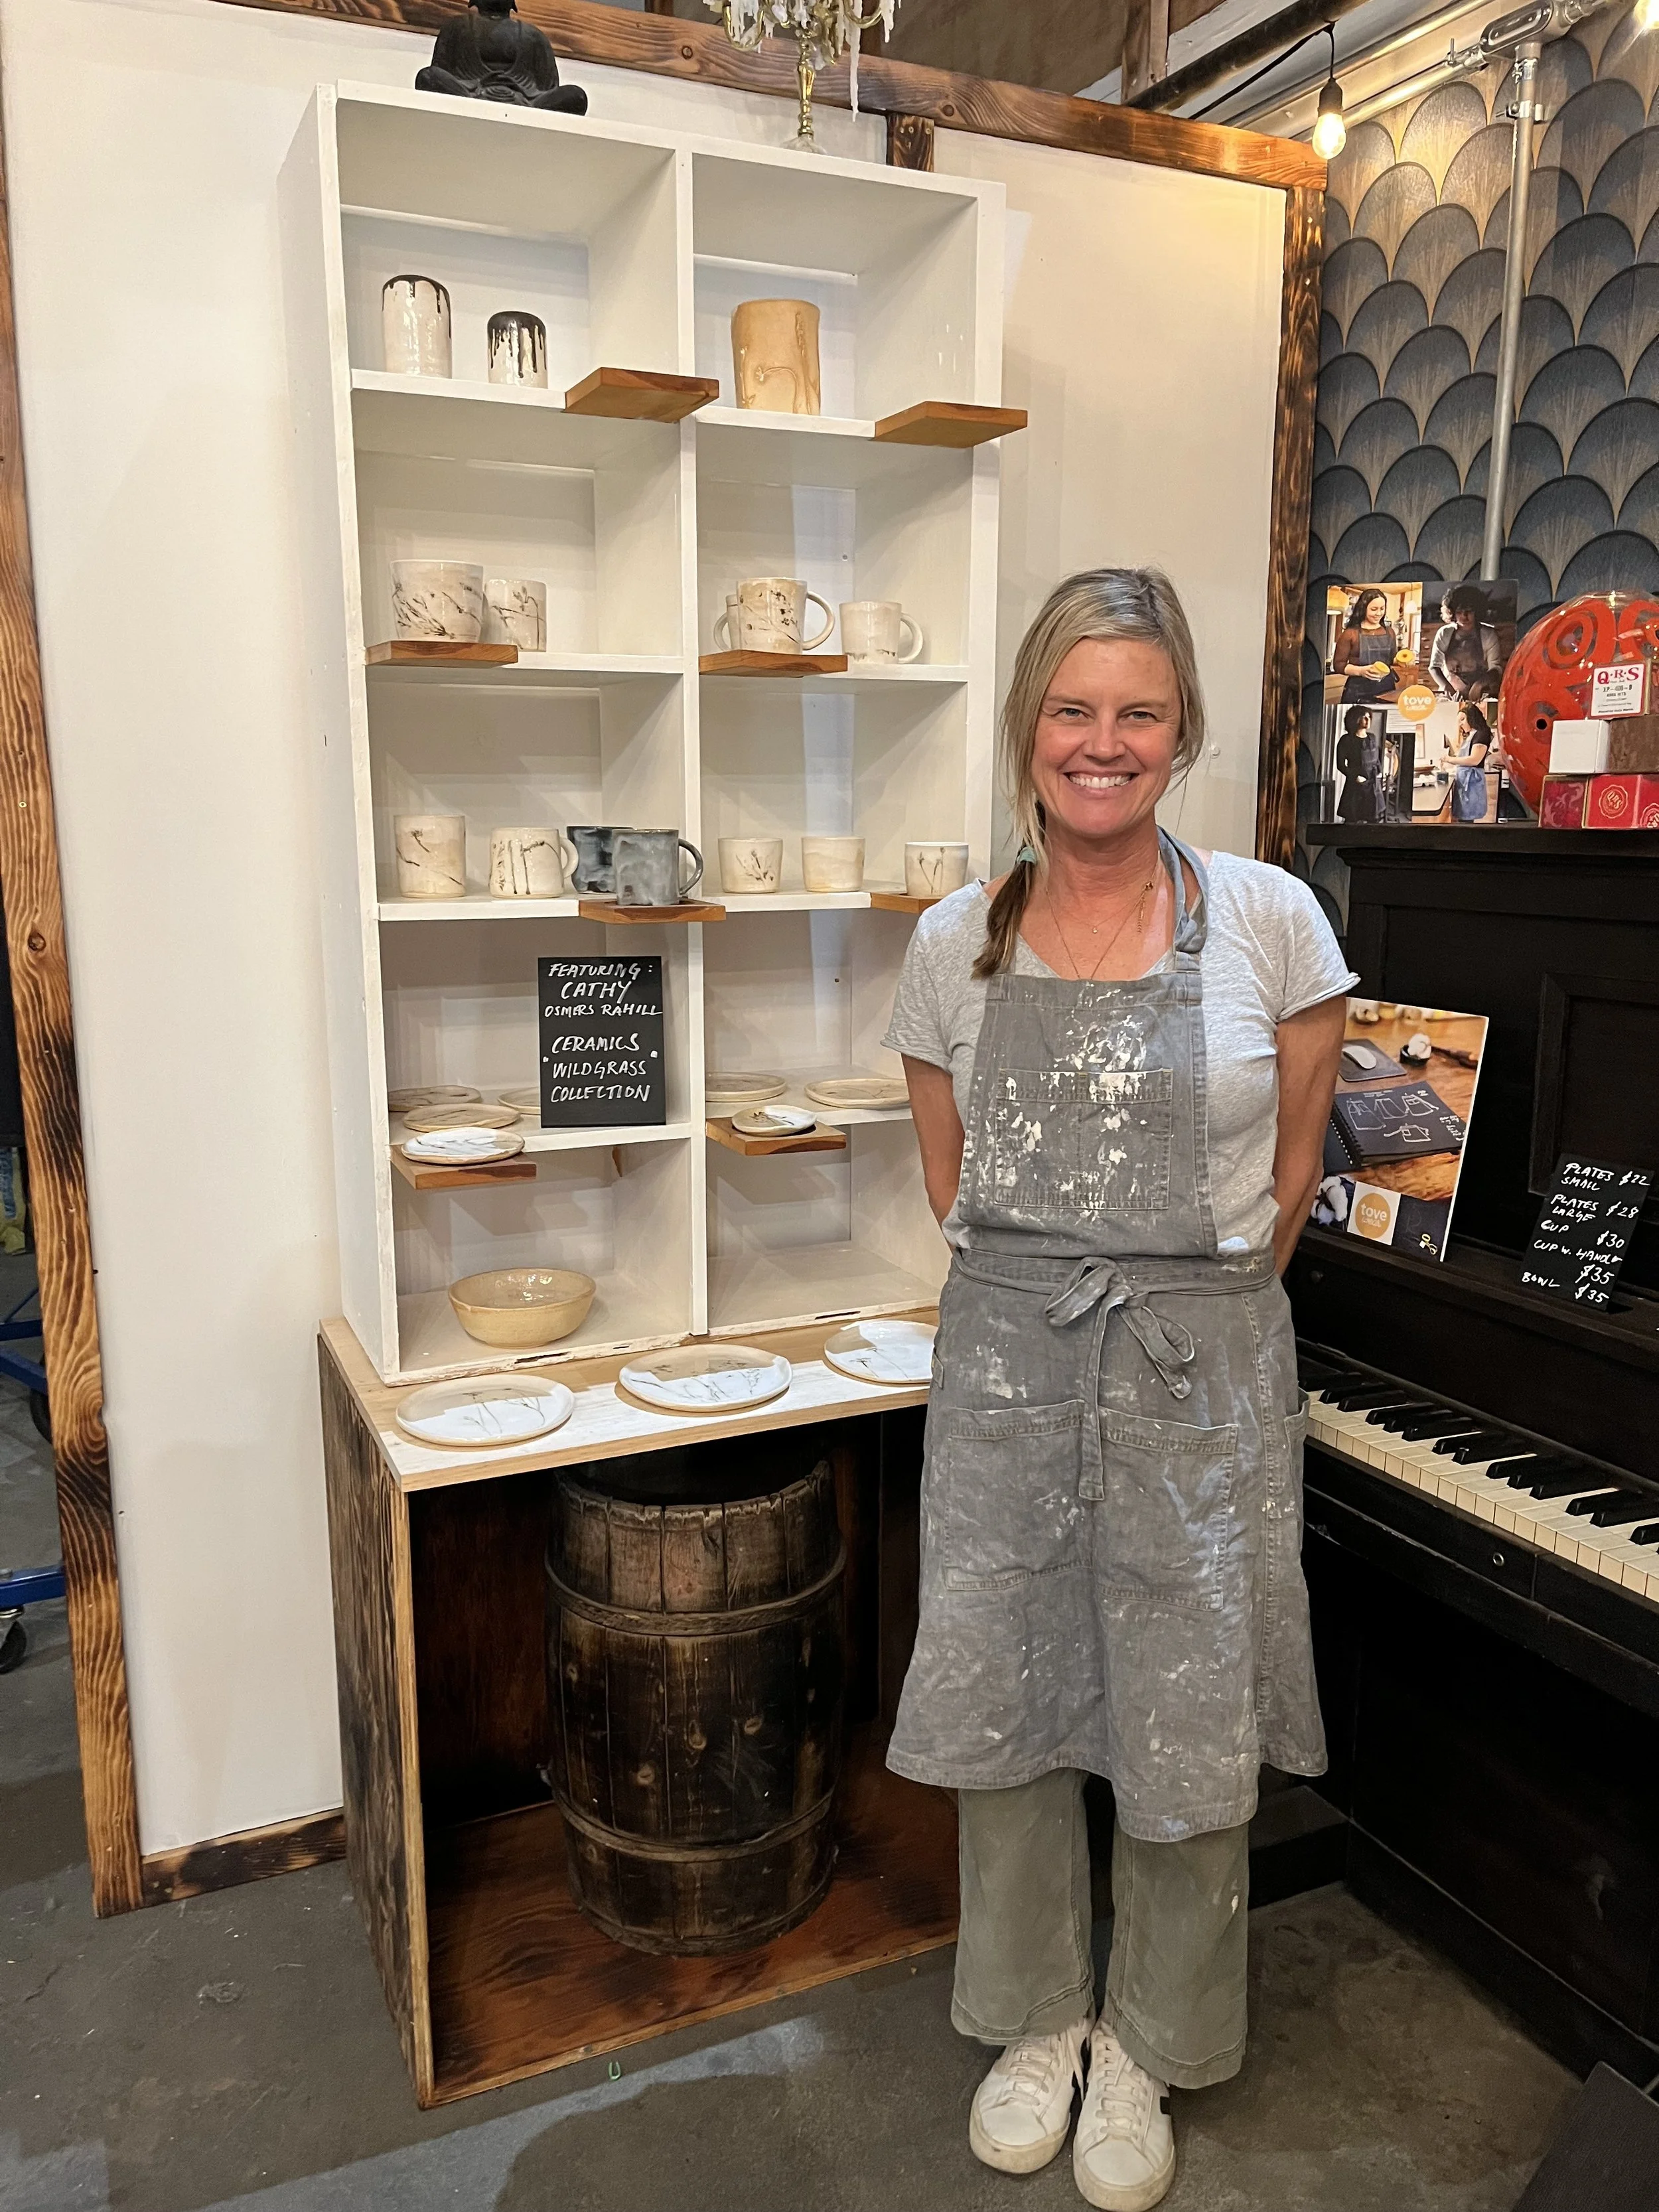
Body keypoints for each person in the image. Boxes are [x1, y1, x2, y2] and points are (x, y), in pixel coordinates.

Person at [883, 568, 1354, 2210]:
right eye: (1072, 710)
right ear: (1026, 730)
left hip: (1196, 1364)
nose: (1104, 742)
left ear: (1182, 732)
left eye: (1137, 712)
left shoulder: (1275, 923)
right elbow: (956, 1186)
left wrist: (1196, 1317)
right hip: (1007, 1367)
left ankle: (1149, 2040)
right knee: (1009, 1702)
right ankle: (1034, 2020)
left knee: (1185, 1704)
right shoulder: (956, 943)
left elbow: (1294, 1173)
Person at [1427, 585, 1500, 698]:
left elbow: (1496, 669)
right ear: (1452, 612)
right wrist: (1447, 688)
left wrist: (1479, 685)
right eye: (1459, 612)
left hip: (1480, 695)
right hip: (1449, 695)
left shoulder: (1488, 635)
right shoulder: (1444, 633)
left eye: (1469, 612)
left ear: (1477, 611)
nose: (1464, 617)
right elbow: (1434, 667)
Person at [1332, 587, 1398, 703]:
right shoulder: (1350, 634)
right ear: (1363, 608)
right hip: (1358, 690)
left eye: (1382, 609)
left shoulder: (1390, 632)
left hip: (1386, 689)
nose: (1379, 613)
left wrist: (1404, 661)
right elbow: (1338, 665)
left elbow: (1393, 659)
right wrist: (1361, 671)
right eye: (1374, 609)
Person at [1333, 703, 1386, 822]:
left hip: (1373, 784)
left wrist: (1379, 772)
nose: (1368, 720)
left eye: (1369, 717)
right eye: (1364, 717)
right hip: (1356, 785)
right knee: (1353, 817)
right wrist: (1355, 777)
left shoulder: (1372, 738)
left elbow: (1376, 758)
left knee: (1374, 817)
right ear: (1355, 719)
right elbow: (1341, 765)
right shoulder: (1346, 740)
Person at [1447, 700, 1492, 822]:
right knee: (1463, 818)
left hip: (1472, 781)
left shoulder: (1482, 734)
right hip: (1464, 780)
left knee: (1468, 819)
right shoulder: (1471, 735)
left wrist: (1451, 760)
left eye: (1462, 719)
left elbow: (1474, 760)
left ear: (1472, 717)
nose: (1460, 724)